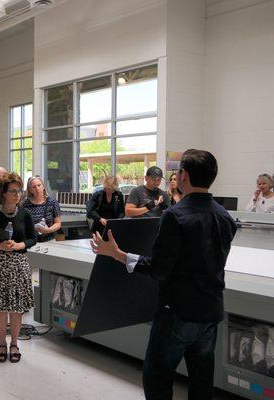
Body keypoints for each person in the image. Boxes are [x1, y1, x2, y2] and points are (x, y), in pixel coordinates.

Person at [90, 149, 237, 400]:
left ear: (185, 176)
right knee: (202, 382)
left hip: (178, 313)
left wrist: (117, 254)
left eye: (178, 171)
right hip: (210, 312)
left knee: (157, 378)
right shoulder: (225, 217)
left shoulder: (175, 216)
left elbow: (159, 268)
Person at [0, 172, 36, 363]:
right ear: (3, 193)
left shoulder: (25, 213)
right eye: (13, 191)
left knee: (17, 307)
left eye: (19, 191)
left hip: (18, 263)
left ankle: (14, 343)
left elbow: (32, 238)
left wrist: (21, 245)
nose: (17, 194)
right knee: (1, 306)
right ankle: (2, 343)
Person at [23, 176, 62, 242]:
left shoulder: (52, 202)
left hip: (49, 239)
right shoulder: (25, 204)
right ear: (30, 190)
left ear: (43, 186)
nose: (37, 189)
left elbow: (58, 223)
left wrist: (48, 230)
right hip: (30, 240)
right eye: (34, 187)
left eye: (39, 185)